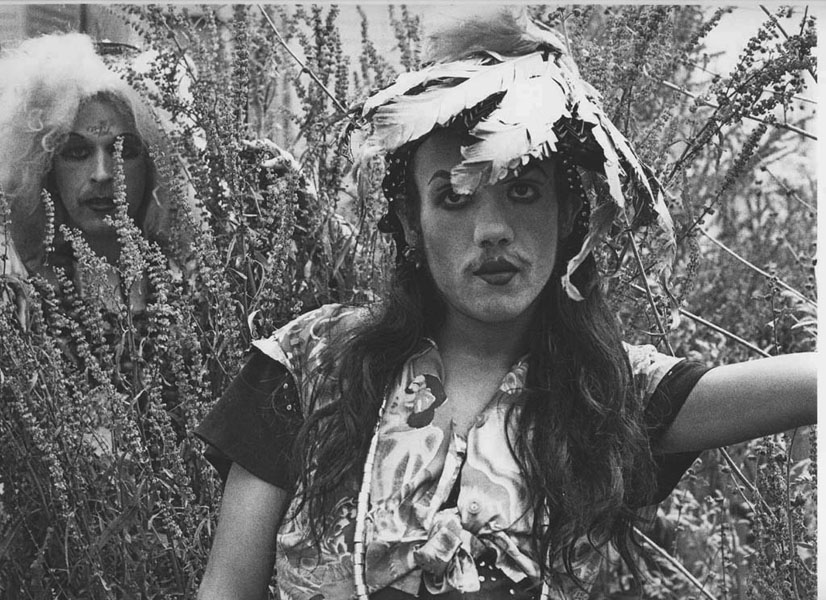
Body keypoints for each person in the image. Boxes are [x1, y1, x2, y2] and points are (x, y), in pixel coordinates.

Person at [195, 10, 816, 600]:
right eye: (454, 198)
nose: (492, 229)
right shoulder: (311, 366)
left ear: (567, 215)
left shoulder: (609, 395)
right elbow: (226, 589)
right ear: (411, 222)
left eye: (522, 190)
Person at [0, 33, 186, 321]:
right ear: (46, 167)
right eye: (77, 152)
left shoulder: (195, 290)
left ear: (154, 164)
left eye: (124, 151)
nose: (102, 174)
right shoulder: (19, 303)